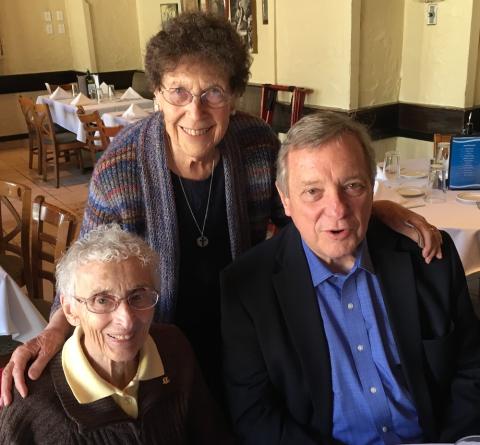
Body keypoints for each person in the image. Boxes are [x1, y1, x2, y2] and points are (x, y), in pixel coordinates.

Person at [1, 12, 441, 407]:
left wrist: (373, 209)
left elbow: (307, 210)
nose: (196, 111)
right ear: (157, 94)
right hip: (158, 339)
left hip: (247, 332)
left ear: (233, 95)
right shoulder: (121, 169)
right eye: (179, 91)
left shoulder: (256, 145)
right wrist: (53, 330)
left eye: (213, 91)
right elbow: (86, 269)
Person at [220, 112, 480, 444]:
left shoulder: (428, 256)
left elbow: (471, 365)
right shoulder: (247, 288)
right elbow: (255, 416)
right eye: (313, 192)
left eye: (352, 186)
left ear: (372, 189)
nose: (338, 209)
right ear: (284, 199)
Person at [0, 224, 232, 444]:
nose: (127, 319)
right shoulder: (29, 404)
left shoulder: (174, 348)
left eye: (138, 296)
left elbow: (213, 436)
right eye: (102, 300)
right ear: (70, 310)